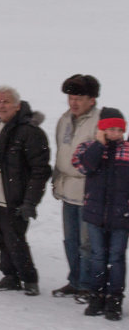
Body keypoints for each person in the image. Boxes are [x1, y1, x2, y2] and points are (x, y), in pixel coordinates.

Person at [0, 87, 50, 296]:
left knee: (15, 239)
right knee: (0, 237)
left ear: (17, 106)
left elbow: (40, 170)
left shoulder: (30, 132)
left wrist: (30, 202)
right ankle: (10, 275)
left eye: (6, 101)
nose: (1, 105)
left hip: (13, 196)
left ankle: (29, 278)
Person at [73, 108, 129, 321]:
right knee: (97, 256)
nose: (115, 133)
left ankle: (114, 298)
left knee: (116, 258)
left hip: (121, 215)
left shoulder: (127, 150)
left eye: (119, 130)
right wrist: (99, 144)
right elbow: (84, 166)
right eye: (110, 129)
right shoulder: (89, 148)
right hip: (95, 214)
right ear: (101, 130)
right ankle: (96, 295)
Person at [52, 74, 100, 300]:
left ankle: (87, 285)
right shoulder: (64, 119)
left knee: (86, 243)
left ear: (92, 99)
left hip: (87, 191)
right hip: (66, 189)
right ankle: (74, 280)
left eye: (79, 97)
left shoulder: (98, 121)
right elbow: (60, 152)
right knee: (70, 241)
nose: (74, 102)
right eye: (71, 97)